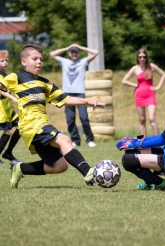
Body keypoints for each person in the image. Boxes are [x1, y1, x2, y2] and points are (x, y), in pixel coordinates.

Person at [0, 44, 106, 188]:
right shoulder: (16, 77)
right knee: (64, 139)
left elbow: (65, 98)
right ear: (24, 61)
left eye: (41, 59)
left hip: (39, 126)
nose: (39, 62)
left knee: (60, 166)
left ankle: (20, 168)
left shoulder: (45, 83)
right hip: (31, 125)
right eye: (35, 58)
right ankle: (88, 172)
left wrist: (87, 101)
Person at [50, 43, 98, 147]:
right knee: (70, 119)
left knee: (84, 117)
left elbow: (96, 53)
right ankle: (75, 140)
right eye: (72, 52)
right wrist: (68, 47)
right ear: (69, 53)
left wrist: (80, 46)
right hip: (67, 94)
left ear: (79, 53)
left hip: (80, 93)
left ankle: (90, 139)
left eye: (76, 52)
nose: (74, 54)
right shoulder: (65, 61)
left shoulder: (83, 62)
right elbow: (52, 54)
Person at [121, 48, 165, 137]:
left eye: (144, 57)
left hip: (150, 94)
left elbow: (164, 75)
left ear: (146, 57)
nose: (142, 59)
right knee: (142, 119)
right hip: (139, 95)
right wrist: (135, 85)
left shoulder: (151, 66)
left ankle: (156, 140)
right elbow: (124, 80)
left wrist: (158, 87)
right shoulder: (135, 68)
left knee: (152, 118)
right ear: (137, 58)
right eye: (140, 57)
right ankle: (143, 141)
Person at [0, 50, 21, 164]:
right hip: (1, 109)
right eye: (2, 61)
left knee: (20, 127)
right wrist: (12, 98)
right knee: (8, 131)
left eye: (6, 60)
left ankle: (8, 152)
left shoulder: (5, 75)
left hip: (7, 108)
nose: (5, 63)